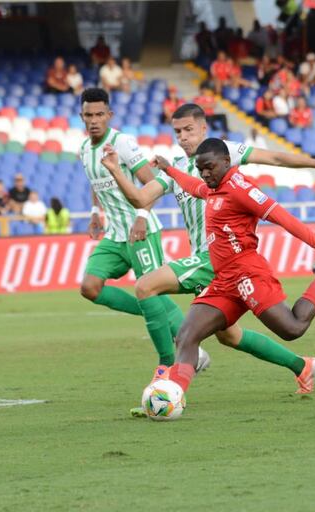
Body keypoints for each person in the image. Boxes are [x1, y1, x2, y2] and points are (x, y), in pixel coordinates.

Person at [97, 103, 315, 400]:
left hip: (237, 268)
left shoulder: (233, 169)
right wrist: (162, 169)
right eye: (177, 132)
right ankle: (174, 396)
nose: (183, 137)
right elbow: (176, 190)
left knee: (291, 328)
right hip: (222, 276)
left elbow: (278, 211)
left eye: (188, 130)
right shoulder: (206, 180)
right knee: (208, 335)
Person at [76, 87, 199, 390]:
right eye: (88, 115)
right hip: (115, 233)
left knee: (151, 292)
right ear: (82, 116)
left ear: (109, 115)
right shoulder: (83, 149)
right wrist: (95, 210)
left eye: (99, 114)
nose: (94, 120)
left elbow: (152, 182)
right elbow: (97, 179)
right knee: (90, 287)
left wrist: (142, 217)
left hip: (141, 230)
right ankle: (182, 338)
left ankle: (169, 364)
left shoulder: (123, 143)